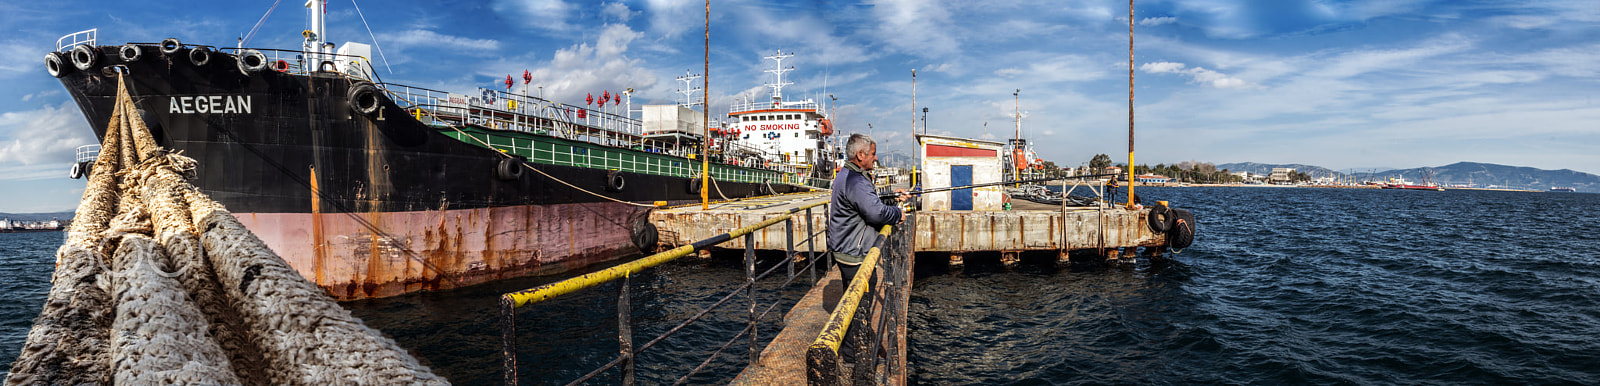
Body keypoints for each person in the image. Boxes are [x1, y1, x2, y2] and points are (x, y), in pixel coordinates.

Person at [828, 133, 907, 299]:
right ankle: (857, 326)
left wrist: (891, 196)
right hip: (854, 253)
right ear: (860, 155)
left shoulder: (848, 175)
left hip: (846, 247)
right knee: (859, 303)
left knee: (852, 299)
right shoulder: (856, 181)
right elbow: (875, 213)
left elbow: (865, 201)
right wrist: (897, 213)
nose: (876, 157)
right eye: (873, 153)